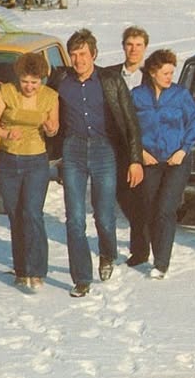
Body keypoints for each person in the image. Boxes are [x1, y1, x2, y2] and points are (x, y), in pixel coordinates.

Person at [48, 29, 144, 297]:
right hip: (73, 149)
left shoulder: (110, 80)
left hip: (105, 151)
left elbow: (131, 122)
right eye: (74, 55)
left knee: (103, 215)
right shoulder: (60, 80)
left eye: (83, 54)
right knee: (75, 218)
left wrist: (135, 160)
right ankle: (81, 277)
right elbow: (45, 108)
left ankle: (107, 253)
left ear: (94, 55)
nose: (78, 60)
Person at [0, 51, 59, 290]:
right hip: (9, 161)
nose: (29, 87)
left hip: (36, 161)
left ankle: (37, 270)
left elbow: (54, 128)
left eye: (34, 82)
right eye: (25, 81)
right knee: (16, 215)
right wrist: (6, 133)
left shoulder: (50, 97)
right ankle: (21, 268)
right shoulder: (6, 91)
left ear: (42, 80)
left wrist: (50, 128)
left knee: (32, 213)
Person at [131, 49, 195, 279]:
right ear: (152, 72)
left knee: (166, 209)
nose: (170, 77)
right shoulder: (137, 96)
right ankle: (153, 252)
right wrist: (140, 153)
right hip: (150, 160)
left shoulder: (180, 95)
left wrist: (183, 150)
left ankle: (161, 263)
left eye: (172, 72)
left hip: (176, 161)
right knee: (151, 209)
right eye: (166, 73)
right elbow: (128, 128)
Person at [106, 25, 151, 267]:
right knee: (120, 198)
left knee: (139, 200)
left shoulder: (150, 76)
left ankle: (140, 250)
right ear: (123, 46)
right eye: (129, 44)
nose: (133, 50)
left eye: (138, 45)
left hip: (141, 148)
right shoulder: (110, 74)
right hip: (114, 146)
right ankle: (108, 247)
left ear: (145, 48)